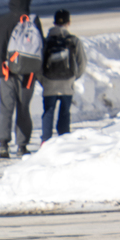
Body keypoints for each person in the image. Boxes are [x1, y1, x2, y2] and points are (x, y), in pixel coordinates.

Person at [0, 0, 43, 159]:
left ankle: (3, 144)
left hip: (7, 72)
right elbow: (42, 47)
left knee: (6, 108)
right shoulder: (32, 21)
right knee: (23, 108)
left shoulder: (1, 21)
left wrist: (0, 62)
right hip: (28, 73)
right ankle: (22, 145)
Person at [39, 8, 87, 143]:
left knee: (48, 112)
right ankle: (64, 141)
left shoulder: (46, 41)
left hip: (49, 82)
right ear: (68, 23)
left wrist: (43, 79)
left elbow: (38, 63)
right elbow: (82, 62)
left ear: (54, 23)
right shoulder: (73, 40)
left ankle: (46, 141)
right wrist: (73, 77)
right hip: (67, 83)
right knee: (65, 113)